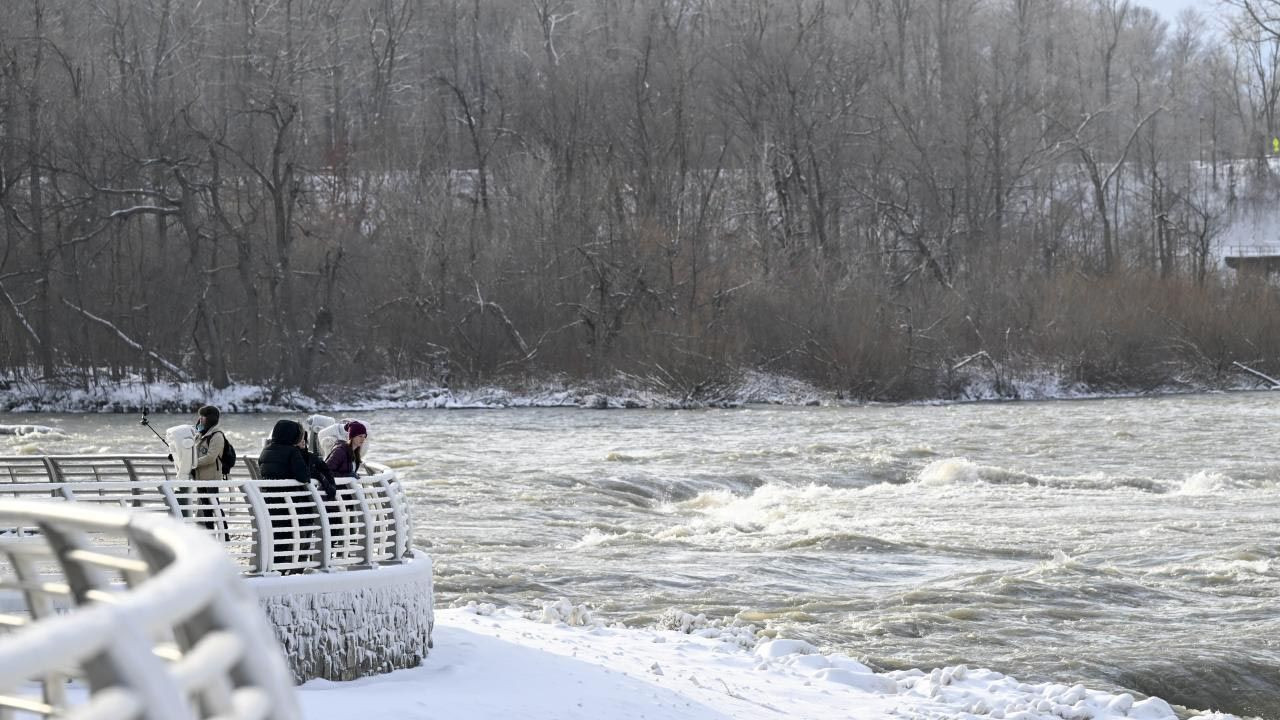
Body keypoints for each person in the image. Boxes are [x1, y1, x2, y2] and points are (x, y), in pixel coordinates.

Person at [257, 420, 317, 573]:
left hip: (270, 502)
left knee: (277, 540)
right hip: (290, 505)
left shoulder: (266, 450)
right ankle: (293, 569)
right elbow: (304, 476)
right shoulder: (292, 452)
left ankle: (273, 568)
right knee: (298, 537)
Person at [190, 405, 228, 540]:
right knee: (206, 507)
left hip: (211, 477)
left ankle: (225, 534)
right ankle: (210, 534)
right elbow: (193, 452)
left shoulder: (217, 435)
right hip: (200, 477)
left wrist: (193, 463)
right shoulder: (200, 434)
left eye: (203, 416)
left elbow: (211, 457)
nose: (200, 419)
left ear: (210, 419)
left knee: (214, 505)